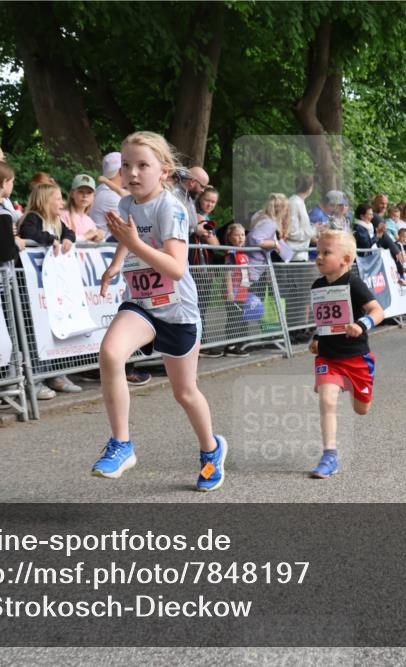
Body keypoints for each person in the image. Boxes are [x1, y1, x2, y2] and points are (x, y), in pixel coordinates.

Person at [93, 131, 227, 492]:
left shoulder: (171, 208)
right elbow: (127, 239)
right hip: (141, 303)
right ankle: (122, 444)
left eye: (142, 165)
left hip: (177, 311)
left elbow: (176, 268)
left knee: (184, 392)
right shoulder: (125, 206)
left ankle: (211, 450)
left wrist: (135, 243)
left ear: (164, 172)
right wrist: (117, 264)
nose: (132, 173)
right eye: (126, 166)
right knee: (110, 352)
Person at [307, 230, 384, 478]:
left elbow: (378, 310)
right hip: (328, 357)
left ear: (345, 259)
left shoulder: (354, 283)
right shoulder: (318, 286)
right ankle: (329, 456)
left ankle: (353, 385)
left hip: (356, 357)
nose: (319, 257)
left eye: (326, 252)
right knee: (327, 400)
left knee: (362, 409)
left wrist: (362, 325)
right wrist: (317, 338)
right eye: (317, 252)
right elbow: (324, 321)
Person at [88, 152, 151, 386]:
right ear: (119, 172)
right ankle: (124, 367)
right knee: (126, 314)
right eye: (126, 168)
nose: (132, 174)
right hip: (115, 263)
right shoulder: (109, 197)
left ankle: (125, 364)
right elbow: (133, 218)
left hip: (124, 264)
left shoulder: (113, 194)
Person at [19, 183, 83, 396]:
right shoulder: (33, 218)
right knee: (36, 332)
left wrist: (66, 239)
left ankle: (57, 374)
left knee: (56, 329)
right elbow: (29, 233)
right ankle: (37, 378)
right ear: (45, 200)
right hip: (34, 288)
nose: (62, 203)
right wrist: (52, 240)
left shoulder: (58, 221)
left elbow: (70, 233)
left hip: (53, 289)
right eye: (57, 198)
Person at [219, 223, 251, 358]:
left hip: (243, 292)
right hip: (234, 292)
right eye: (237, 235)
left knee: (241, 318)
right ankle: (230, 346)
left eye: (242, 235)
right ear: (230, 237)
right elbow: (228, 273)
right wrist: (230, 291)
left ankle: (239, 343)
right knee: (233, 318)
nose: (240, 238)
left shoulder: (242, 252)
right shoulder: (230, 253)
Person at [62, 174, 105, 243]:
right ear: (72, 194)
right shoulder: (63, 215)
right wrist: (86, 236)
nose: (85, 195)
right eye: (81, 191)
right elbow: (63, 239)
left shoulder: (90, 221)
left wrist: (99, 237)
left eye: (89, 192)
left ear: (93, 196)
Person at [286, 174, 316, 259]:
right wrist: (314, 229)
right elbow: (292, 233)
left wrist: (315, 228)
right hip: (295, 255)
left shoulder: (299, 202)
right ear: (309, 188)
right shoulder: (294, 203)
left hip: (300, 254)